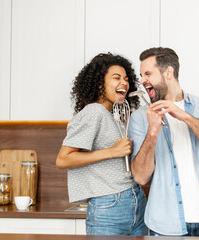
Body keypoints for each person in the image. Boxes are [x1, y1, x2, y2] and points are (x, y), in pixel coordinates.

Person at [128, 47, 199, 237]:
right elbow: (141, 177)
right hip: (166, 224)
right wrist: (152, 131)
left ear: (168, 72)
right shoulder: (140, 117)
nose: (143, 80)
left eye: (148, 73)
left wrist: (186, 117)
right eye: (141, 75)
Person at [56, 53, 147, 236]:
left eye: (126, 79)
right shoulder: (94, 111)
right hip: (109, 204)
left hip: (135, 198)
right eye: (116, 78)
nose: (124, 82)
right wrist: (112, 152)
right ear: (99, 84)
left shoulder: (114, 115)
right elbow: (63, 159)